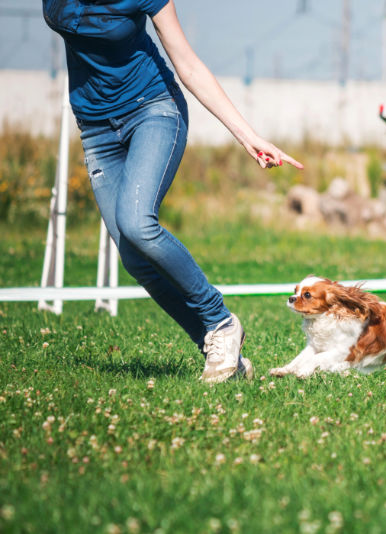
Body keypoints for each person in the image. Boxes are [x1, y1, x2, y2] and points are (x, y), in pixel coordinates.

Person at [43, 0, 303, 383]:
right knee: (134, 258)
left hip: (152, 109)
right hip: (96, 130)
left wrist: (248, 137)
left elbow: (188, 64)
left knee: (137, 223)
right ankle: (225, 355)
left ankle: (221, 321)